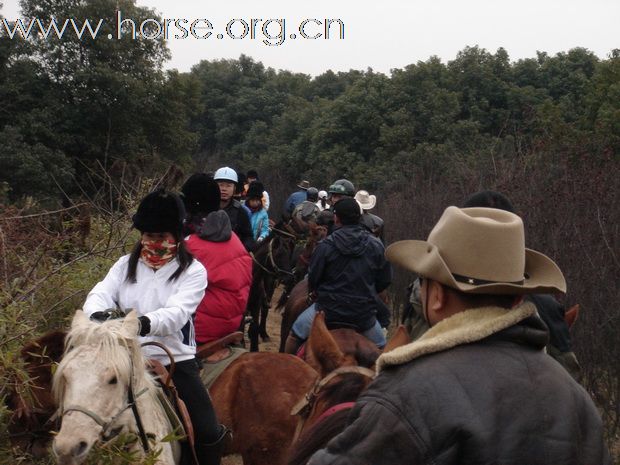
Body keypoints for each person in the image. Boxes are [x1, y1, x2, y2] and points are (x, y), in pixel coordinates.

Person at [309, 206, 610, 465]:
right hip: (364, 315)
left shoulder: (406, 393)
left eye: (424, 283)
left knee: (300, 330)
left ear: (437, 296)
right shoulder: (577, 400)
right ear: (518, 299)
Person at [83, 189, 226, 465]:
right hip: (123, 357)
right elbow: (99, 293)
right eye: (149, 236)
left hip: (174, 359)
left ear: (176, 236)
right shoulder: (124, 265)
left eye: (161, 237)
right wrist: (97, 315)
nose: (154, 243)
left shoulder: (193, 271)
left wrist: (142, 323)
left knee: (208, 430)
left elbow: (178, 313)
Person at [284, 198, 392, 354]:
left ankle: (291, 371)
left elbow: (313, 279)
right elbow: (385, 280)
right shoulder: (376, 245)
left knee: (294, 336)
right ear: (360, 217)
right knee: (382, 348)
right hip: (363, 316)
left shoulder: (326, 245)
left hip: (327, 311)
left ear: (337, 218)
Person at [182, 176, 253, 345]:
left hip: (201, 329)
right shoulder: (232, 235)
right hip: (232, 323)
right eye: (221, 185)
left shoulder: (189, 245)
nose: (225, 188)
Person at [213, 166, 254, 251]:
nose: (224, 189)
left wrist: (241, 250)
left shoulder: (241, 211)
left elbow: (248, 237)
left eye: (228, 186)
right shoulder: (206, 207)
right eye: (220, 185)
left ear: (234, 188)